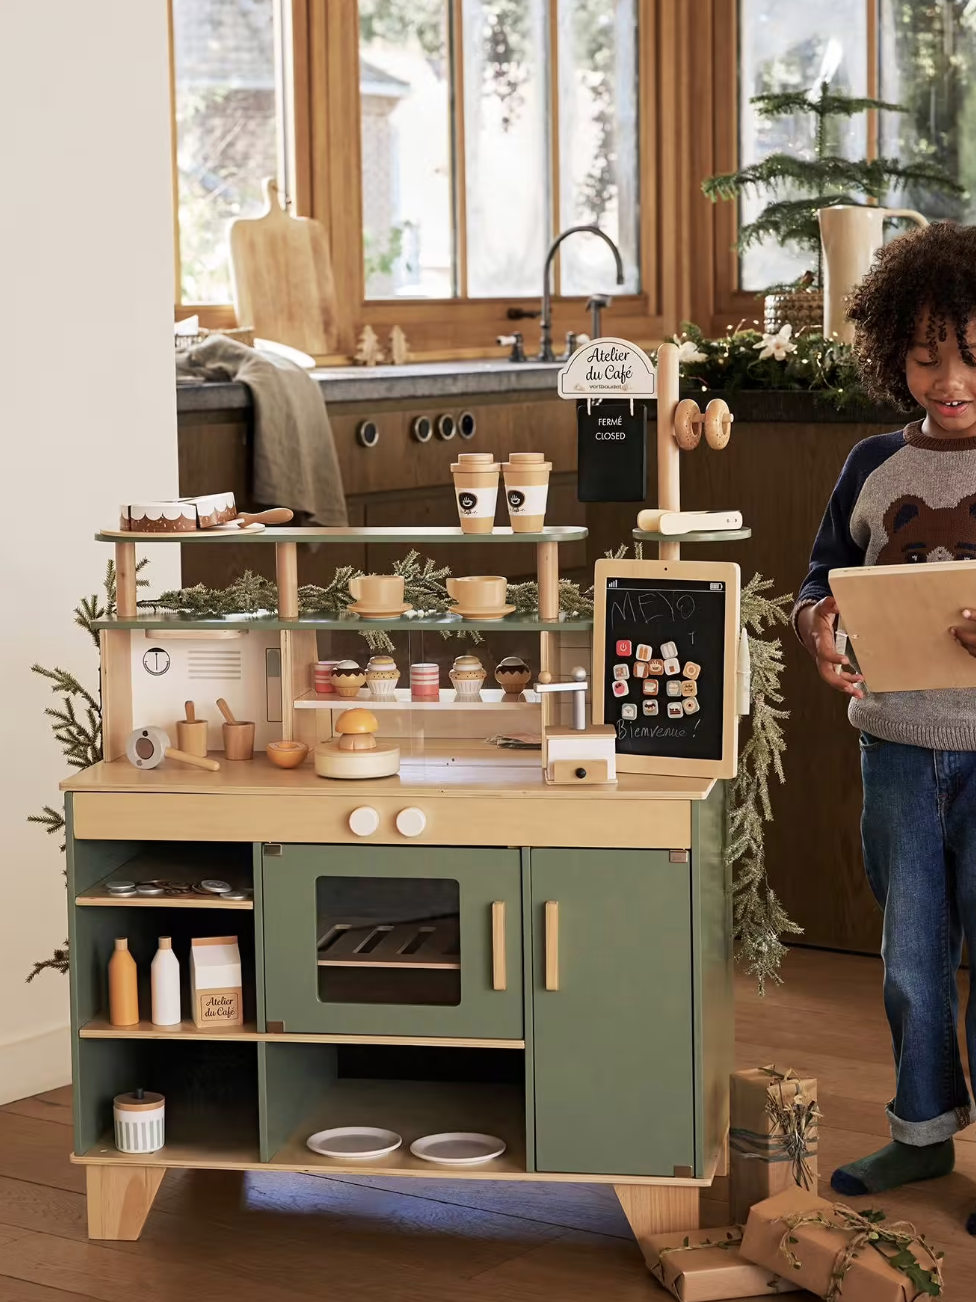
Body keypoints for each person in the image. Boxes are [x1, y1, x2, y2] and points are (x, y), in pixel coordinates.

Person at [795, 220, 976, 1228]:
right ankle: (920, 1135)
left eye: (972, 356)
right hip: (897, 751)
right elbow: (820, 580)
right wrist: (819, 623)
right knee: (909, 958)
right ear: (891, 351)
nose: (947, 377)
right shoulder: (871, 462)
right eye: (924, 354)